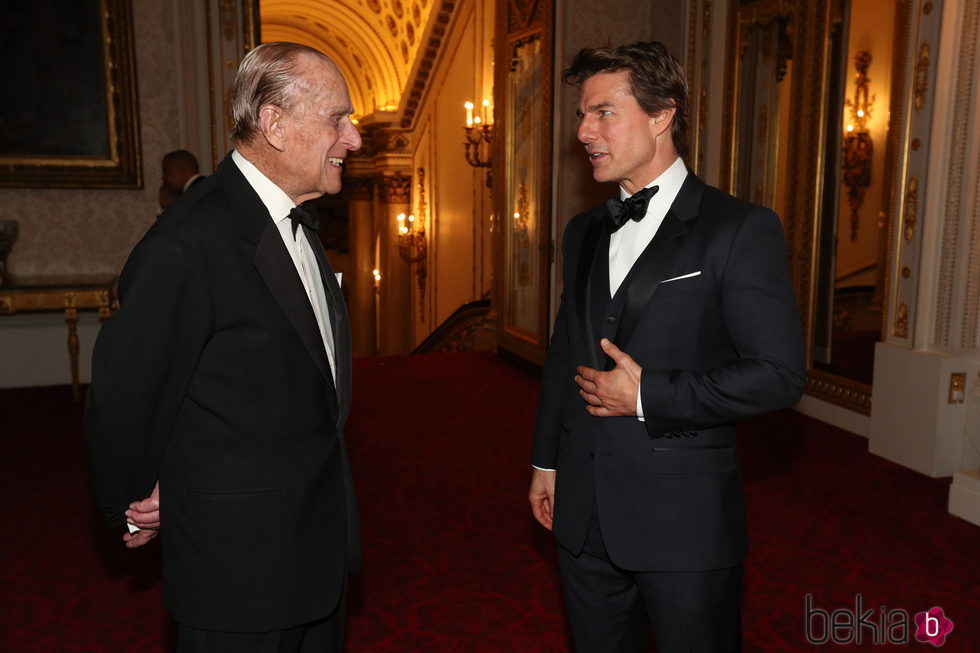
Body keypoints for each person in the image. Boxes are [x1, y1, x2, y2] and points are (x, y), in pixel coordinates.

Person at [528, 41, 806, 653]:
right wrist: (546, 462)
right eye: (582, 115)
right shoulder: (583, 231)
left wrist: (648, 394)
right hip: (582, 513)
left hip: (684, 522)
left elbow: (779, 375)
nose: (582, 131)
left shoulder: (739, 229)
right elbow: (562, 353)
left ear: (661, 116)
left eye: (603, 112)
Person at [86, 42, 362, 652]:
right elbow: (126, 390)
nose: (354, 138)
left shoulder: (298, 220)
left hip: (316, 553)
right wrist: (136, 500)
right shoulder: (188, 243)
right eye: (337, 119)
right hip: (239, 572)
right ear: (274, 125)